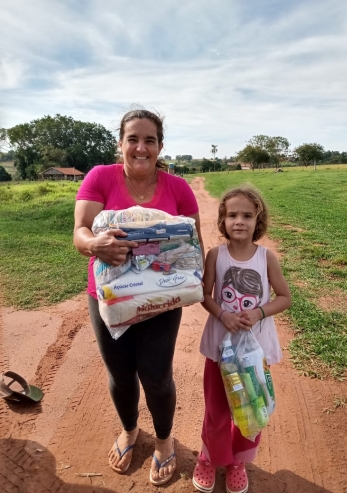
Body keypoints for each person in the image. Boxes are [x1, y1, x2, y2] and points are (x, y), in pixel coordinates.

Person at [73, 109, 204, 486]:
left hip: (162, 303)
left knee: (157, 376)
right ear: (121, 143)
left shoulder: (178, 188)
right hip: (109, 298)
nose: (141, 147)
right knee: (120, 374)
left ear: (161, 146)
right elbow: (80, 231)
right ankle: (130, 429)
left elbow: (195, 248)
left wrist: (200, 286)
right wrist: (95, 245)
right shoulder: (100, 177)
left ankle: (163, 440)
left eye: (150, 140)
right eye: (133, 138)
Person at [192, 186, 291, 493]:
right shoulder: (215, 256)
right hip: (220, 352)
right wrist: (223, 315)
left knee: (252, 407)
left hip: (254, 354)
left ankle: (239, 460)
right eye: (232, 215)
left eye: (247, 215)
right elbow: (204, 296)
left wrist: (260, 312)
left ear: (257, 219)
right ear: (222, 219)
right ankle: (210, 457)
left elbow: (284, 297)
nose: (239, 221)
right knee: (218, 409)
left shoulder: (266, 258)